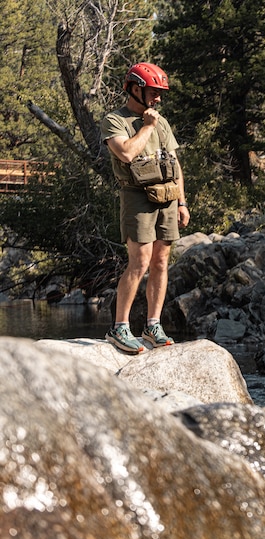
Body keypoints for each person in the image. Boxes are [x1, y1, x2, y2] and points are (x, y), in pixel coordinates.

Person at [100, 62, 189, 355]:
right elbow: (126, 153)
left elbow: (174, 164)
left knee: (161, 262)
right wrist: (147, 126)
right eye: (154, 92)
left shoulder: (162, 122)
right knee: (139, 262)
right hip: (137, 197)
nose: (158, 98)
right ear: (135, 89)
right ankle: (119, 327)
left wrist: (182, 202)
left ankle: (153, 325)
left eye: (160, 93)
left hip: (167, 197)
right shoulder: (115, 120)